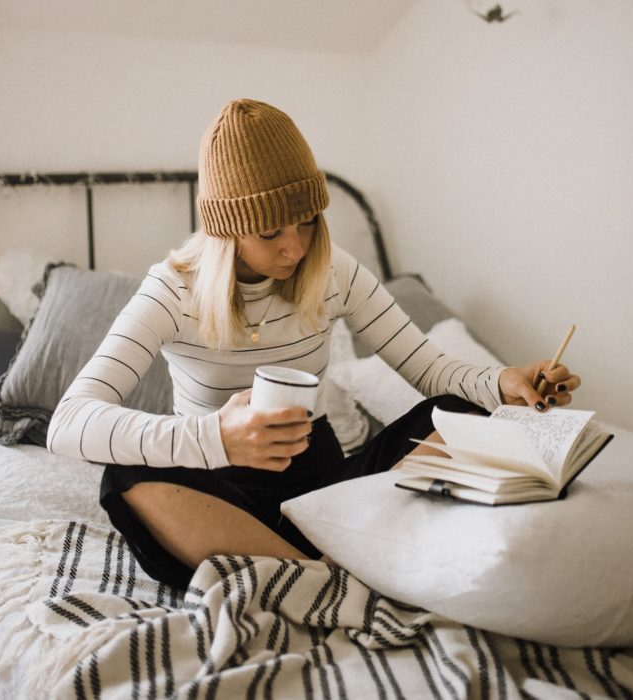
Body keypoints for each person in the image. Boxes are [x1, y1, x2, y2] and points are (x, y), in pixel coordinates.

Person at [47, 98, 581, 590]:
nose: (295, 247)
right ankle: (327, 575)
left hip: (330, 494)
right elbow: (68, 423)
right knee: (125, 476)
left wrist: (500, 382)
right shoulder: (172, 290)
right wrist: (215, 437)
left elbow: (430, 368)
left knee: (458, 411)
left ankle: (311, 568)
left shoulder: (333, 271)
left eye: (306, 223)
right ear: (228, 231)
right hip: (222, 503)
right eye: (271, 233)